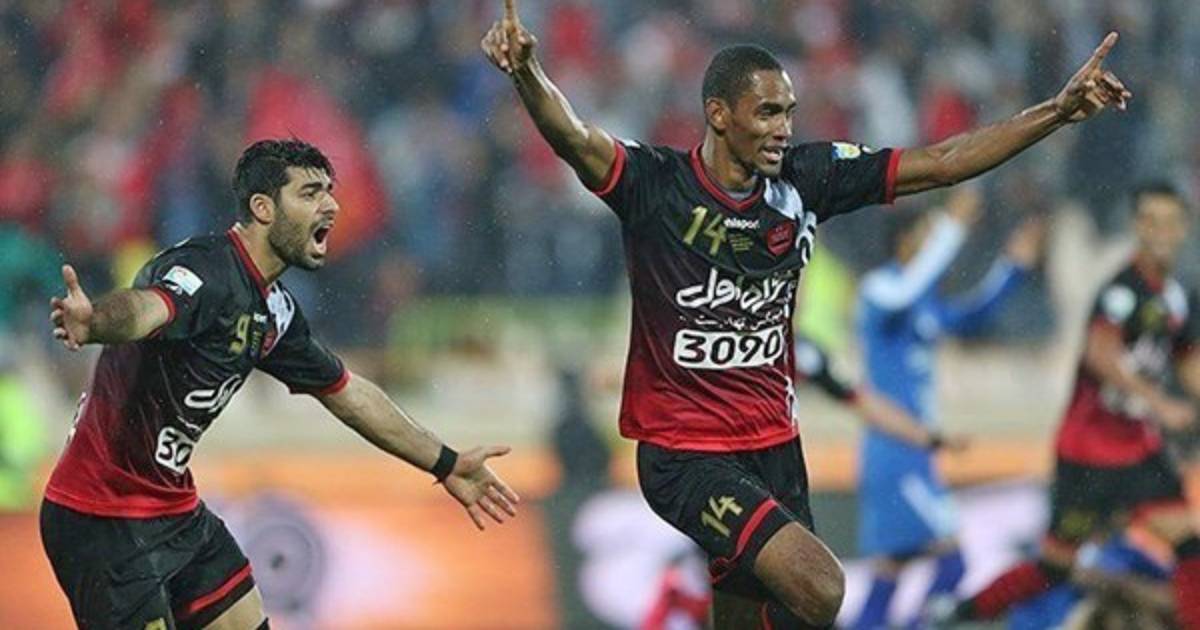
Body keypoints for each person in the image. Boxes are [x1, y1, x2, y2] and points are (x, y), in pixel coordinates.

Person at [482, 0, 1130, 625]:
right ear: (718, 114)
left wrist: (1057, 112)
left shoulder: (807, 179)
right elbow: (573, 137)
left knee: (763, 619)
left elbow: (942, 163)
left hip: (775, 448)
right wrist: (528, 72)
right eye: (766, 112)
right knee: (821, 590)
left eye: (788, 112)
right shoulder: (656, 185)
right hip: (686, 454)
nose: (783, 128)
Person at [41, 139, 520, 629]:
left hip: (173, 509)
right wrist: (95, 321)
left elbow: (349, 395)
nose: (330, 205)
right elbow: (147, 308)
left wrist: (446, 462)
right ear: (263, 208)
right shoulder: (206, 270)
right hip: (100, 517)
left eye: (329, 191)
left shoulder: (274, 310)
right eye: (310, 193)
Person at [950, 181, 1200, 630]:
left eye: (1170, 222)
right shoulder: (1120, 291)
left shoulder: (1173, 298)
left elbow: (1186, 361)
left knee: (1189, 545)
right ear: (1137, 227)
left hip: (1137, 450)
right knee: (1055, 566)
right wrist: (1160, 403)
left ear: (1184, 228)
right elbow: (1101, 355)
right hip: (1088, 453)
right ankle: (954, 615)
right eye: (1151, 221)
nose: (1161, 232)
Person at [851, 186, 1042, 629]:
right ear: (905, 242)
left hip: (916, 452)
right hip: (894, 451)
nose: (934, 248)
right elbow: (907, 289)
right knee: (951, 561)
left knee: (890, 571)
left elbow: (973, 316)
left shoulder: (922, 303)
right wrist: (952, 229)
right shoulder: (879, 290)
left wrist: (1012, 267)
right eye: (926, 236)